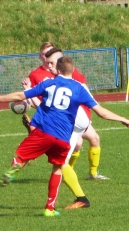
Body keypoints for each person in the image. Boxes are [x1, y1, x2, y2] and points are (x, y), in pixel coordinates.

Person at [0, 56, 129, 217]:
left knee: (22, 158)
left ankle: (16, 167)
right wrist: (123, 119)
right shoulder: (79, 88)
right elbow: (101, 112)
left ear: (58, 71)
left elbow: (20, 96)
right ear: (72, 70)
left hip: (44, 131)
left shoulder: (49, 83)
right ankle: (49, 208)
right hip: (63, 138)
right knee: (58, 168)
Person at [23, 45, 108, 181]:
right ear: (40, 56)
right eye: (45, 55)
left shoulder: (69, 72)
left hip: (76, 115)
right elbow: (37, 100)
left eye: (50, 55)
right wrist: (26, 101)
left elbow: (83, 90)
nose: (47, 58)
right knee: (75, 145)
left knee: (94, 138)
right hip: (58, 119)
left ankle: (92, 174)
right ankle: (66, 173)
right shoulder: (37, 76)